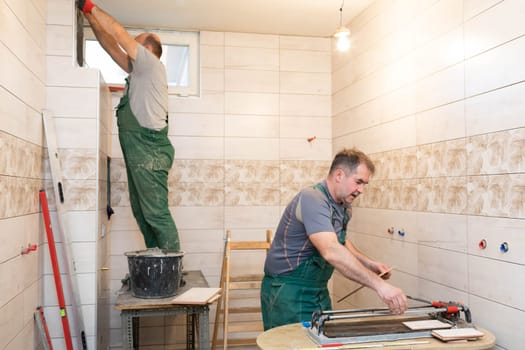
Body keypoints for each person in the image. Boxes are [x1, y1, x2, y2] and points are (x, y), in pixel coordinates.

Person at [260, 148, 408, 330]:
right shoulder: (312, 198)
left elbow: (340, 242)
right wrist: (381, 286)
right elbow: (331, 250)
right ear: (339, 175)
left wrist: (369, 263)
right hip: (288, 290)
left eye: (364, 184)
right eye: (358, 182)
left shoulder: (344, 206)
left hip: (318, 290)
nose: (361, 190)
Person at [78, 0, 180, 250]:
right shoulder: (140, 74)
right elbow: (112, 47)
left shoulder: (151, 65)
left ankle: (171, 268)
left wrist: (89, 5)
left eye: (137, 42)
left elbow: (119, 35)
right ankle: (157, 262)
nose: (131, 45)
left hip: (150, 152)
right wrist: (89, 18)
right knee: (143, 213)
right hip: (144, 153)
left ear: (146, 49)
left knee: (156, 213)